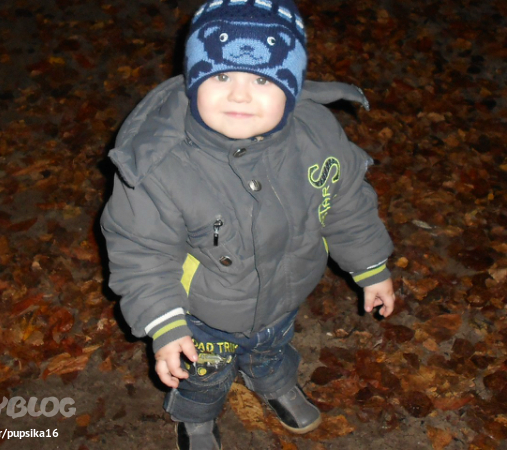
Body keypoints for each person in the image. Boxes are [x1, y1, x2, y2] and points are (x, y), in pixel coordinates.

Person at [101, 0, 395, 448]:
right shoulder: (158, 164)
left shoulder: (317, 136)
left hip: (285, 293)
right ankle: (196, 415)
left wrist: (371, 266)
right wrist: (164, 321)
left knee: (273, 346)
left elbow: (347, 203)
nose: (239, 95)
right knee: (204, 373)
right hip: (203, 313)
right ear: (194, 80)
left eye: (262, 80)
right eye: (221, 77)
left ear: (292, 88)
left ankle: (271, 379)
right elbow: (140, 250)